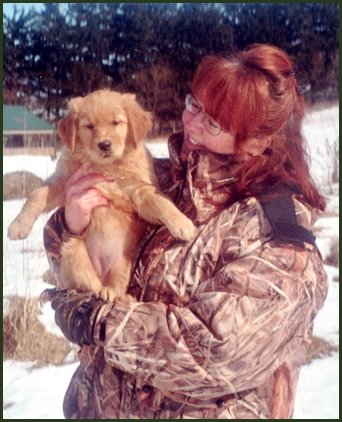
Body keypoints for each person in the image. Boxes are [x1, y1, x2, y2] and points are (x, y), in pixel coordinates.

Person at [42, 43, 328, 419]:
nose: (190, 124)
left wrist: (96, 320)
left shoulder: (278, 237)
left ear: (257, 140)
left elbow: (215, 354)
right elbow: (67, 249)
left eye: (214, 122)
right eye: (194, 104)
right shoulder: (163, 178)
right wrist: (69, 226)